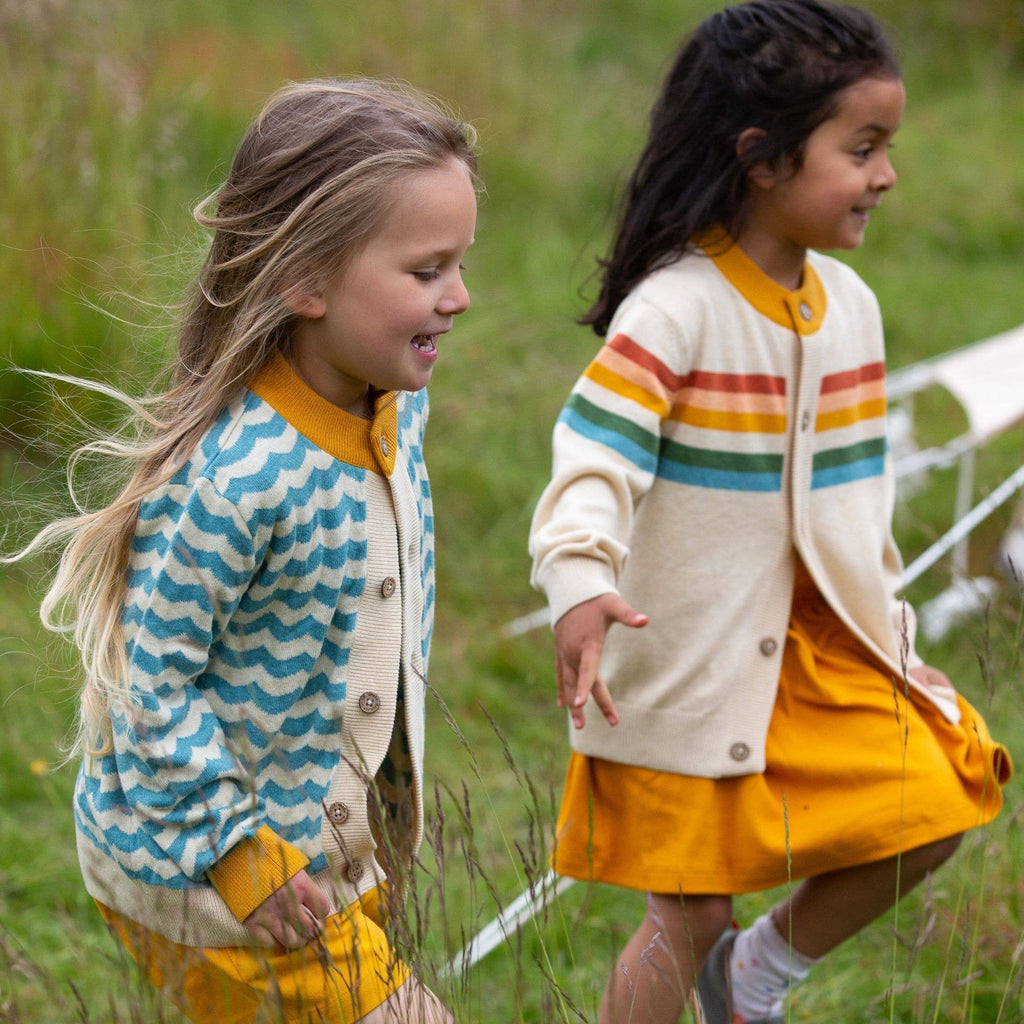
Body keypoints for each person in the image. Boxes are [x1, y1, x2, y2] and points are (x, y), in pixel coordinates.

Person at [528, 3, 1011, 1022]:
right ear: (761, 158)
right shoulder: (673, 309)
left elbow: (862, 514)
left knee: (938, 793)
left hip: (820, 658)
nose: (886, 175)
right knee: (689, 915)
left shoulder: (854, 310)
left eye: (887, 148)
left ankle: (753, 981)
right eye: (862, 149)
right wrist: (577, 581)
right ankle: (714, 969)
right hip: (693, 662)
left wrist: (897, 645)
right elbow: (592, 461)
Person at [16, 78, 478, 1023]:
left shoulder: (395, 407)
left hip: (319, 861)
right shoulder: (239, 479)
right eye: (427, 270)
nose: (460, 297)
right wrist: (239, 855)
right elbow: (149, 681)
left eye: (461, 265)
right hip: (213, 880)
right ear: (305, 281)